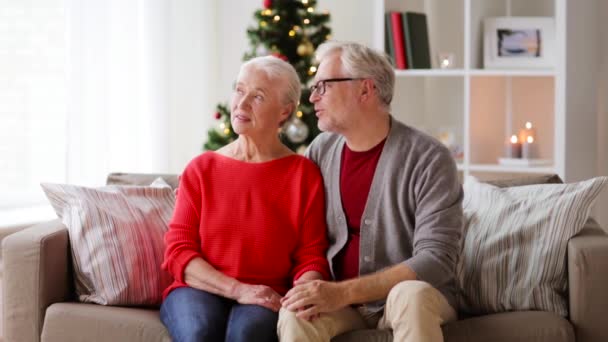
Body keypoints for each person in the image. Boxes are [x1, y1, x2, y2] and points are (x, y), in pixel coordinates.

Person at [278, 41, 464, 342]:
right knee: (295, 313)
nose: (312, 97)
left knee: (410, 296)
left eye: (323, 86)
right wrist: (313, 288)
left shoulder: (429, 158)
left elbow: (436, 259)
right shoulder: (320, 152)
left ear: (365, 90)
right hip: (342, 304)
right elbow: (303, 238)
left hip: (410, 299)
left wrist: (342, 292)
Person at [160, 56, 330, 342]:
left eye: (258, 96)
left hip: (268, 291)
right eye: (239, 90)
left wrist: (304, 293)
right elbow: (179, 252)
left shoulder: (303, 174)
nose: (241, 103)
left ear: (284, 112)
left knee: (247, 335)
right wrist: (238, 289)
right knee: (198, 333)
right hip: (198, 289)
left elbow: (311, 257)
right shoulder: (202, 168)